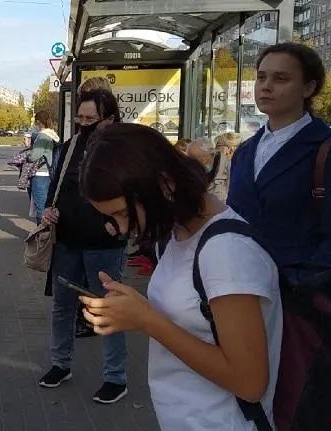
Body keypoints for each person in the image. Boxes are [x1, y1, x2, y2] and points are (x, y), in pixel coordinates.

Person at [77, 122, 282, 430]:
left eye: (123, 213)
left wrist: (147, 319)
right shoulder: (179, 233)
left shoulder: (227, 252)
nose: (122, 228)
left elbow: (249, 382)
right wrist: (132, 310)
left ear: (164, 184)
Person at [226, 42, 331, 288]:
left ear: (308, 88)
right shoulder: (245, 151)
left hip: (300, 297)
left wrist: (302, 283)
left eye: (280, 79)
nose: (266, 86)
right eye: (261, 77)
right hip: (241, 286)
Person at [38, 89, 129, 404]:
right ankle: (60, 364)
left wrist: (121, 222)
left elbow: (137, 191)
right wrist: (48, 209)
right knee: (62, 306)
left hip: (104, 245)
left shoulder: (120, 150)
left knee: (106, 308)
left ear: (110, 119)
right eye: (80, 117)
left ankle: (115, 377)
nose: (84, 124)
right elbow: (56, 185)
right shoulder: (70, 146)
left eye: (91, 119)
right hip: (67, 241)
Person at [27, 110, 60, 224]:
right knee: (47, 205)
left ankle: (42, 232)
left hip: (40, 174)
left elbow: (34, 156)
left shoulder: (42, 136)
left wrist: (27, 152)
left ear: (38, 122)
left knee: (41, 209)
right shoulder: (53, 135)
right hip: (48, 173)